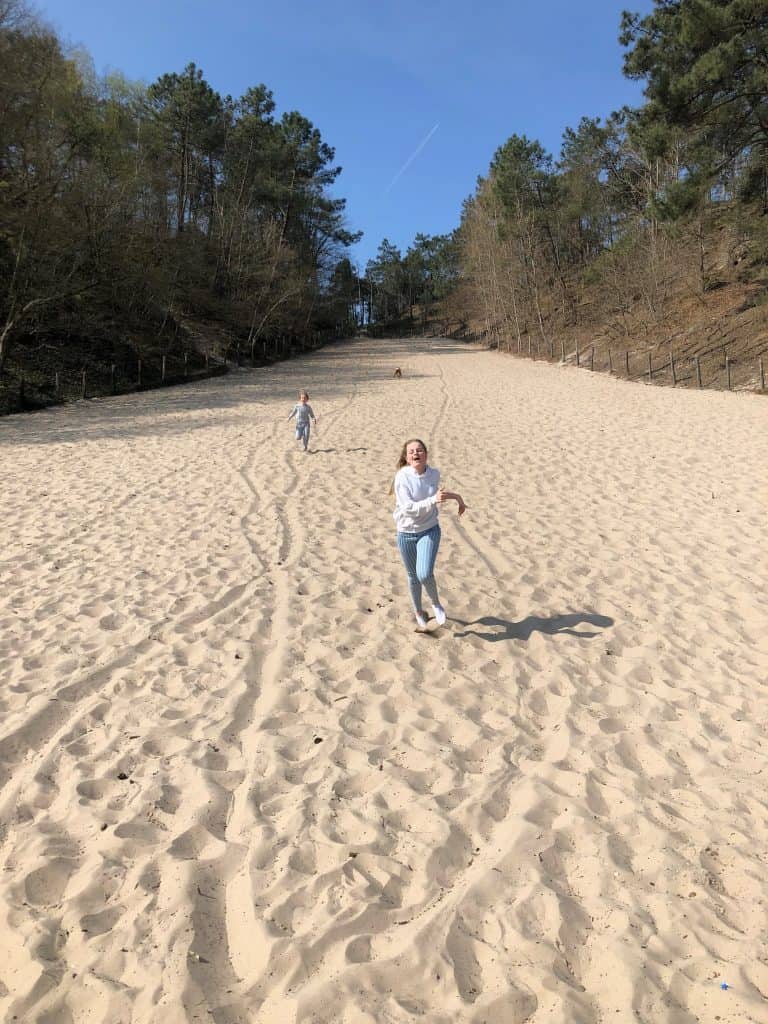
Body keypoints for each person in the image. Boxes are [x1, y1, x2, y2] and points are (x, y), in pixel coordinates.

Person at [392, 438, 467, 630]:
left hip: (430, 530)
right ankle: (418, 611)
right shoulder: (401, 477)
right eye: (411, 452)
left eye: (419, 450)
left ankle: (435, 603)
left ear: (426, 454)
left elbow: (436, 496)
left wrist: (457, 498)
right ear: (407, 458)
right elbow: (408, 508)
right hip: (406, 532)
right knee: (412, 576)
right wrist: (433, 500)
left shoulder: (434, 474)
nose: (415, 453)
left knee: (424, 573)